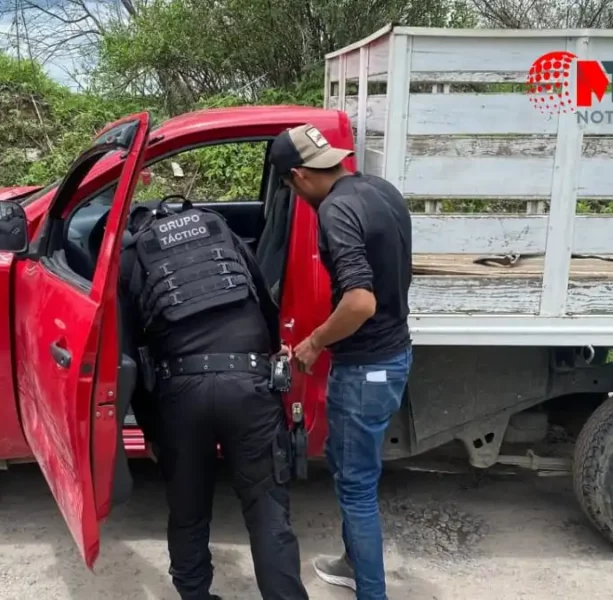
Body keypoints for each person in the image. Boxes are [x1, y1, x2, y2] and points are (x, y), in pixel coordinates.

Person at [119, 198, 309, 600]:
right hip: (249, 383)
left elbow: (132, 354)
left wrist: (150, 429)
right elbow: (264, 299)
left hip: (181, 392)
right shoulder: (221, 231)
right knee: (266, 509)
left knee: (188, 511)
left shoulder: (134, 255)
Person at [268, 124, 413, 600]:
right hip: (392, 354)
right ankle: (353, 564)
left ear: (297, 176)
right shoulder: (379, 189)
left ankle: (372, 593)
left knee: (356, 487)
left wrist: (312, 343)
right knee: (345, 462)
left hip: (367, 367)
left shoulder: (335, 210)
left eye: (288, 187)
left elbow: (359, 303)